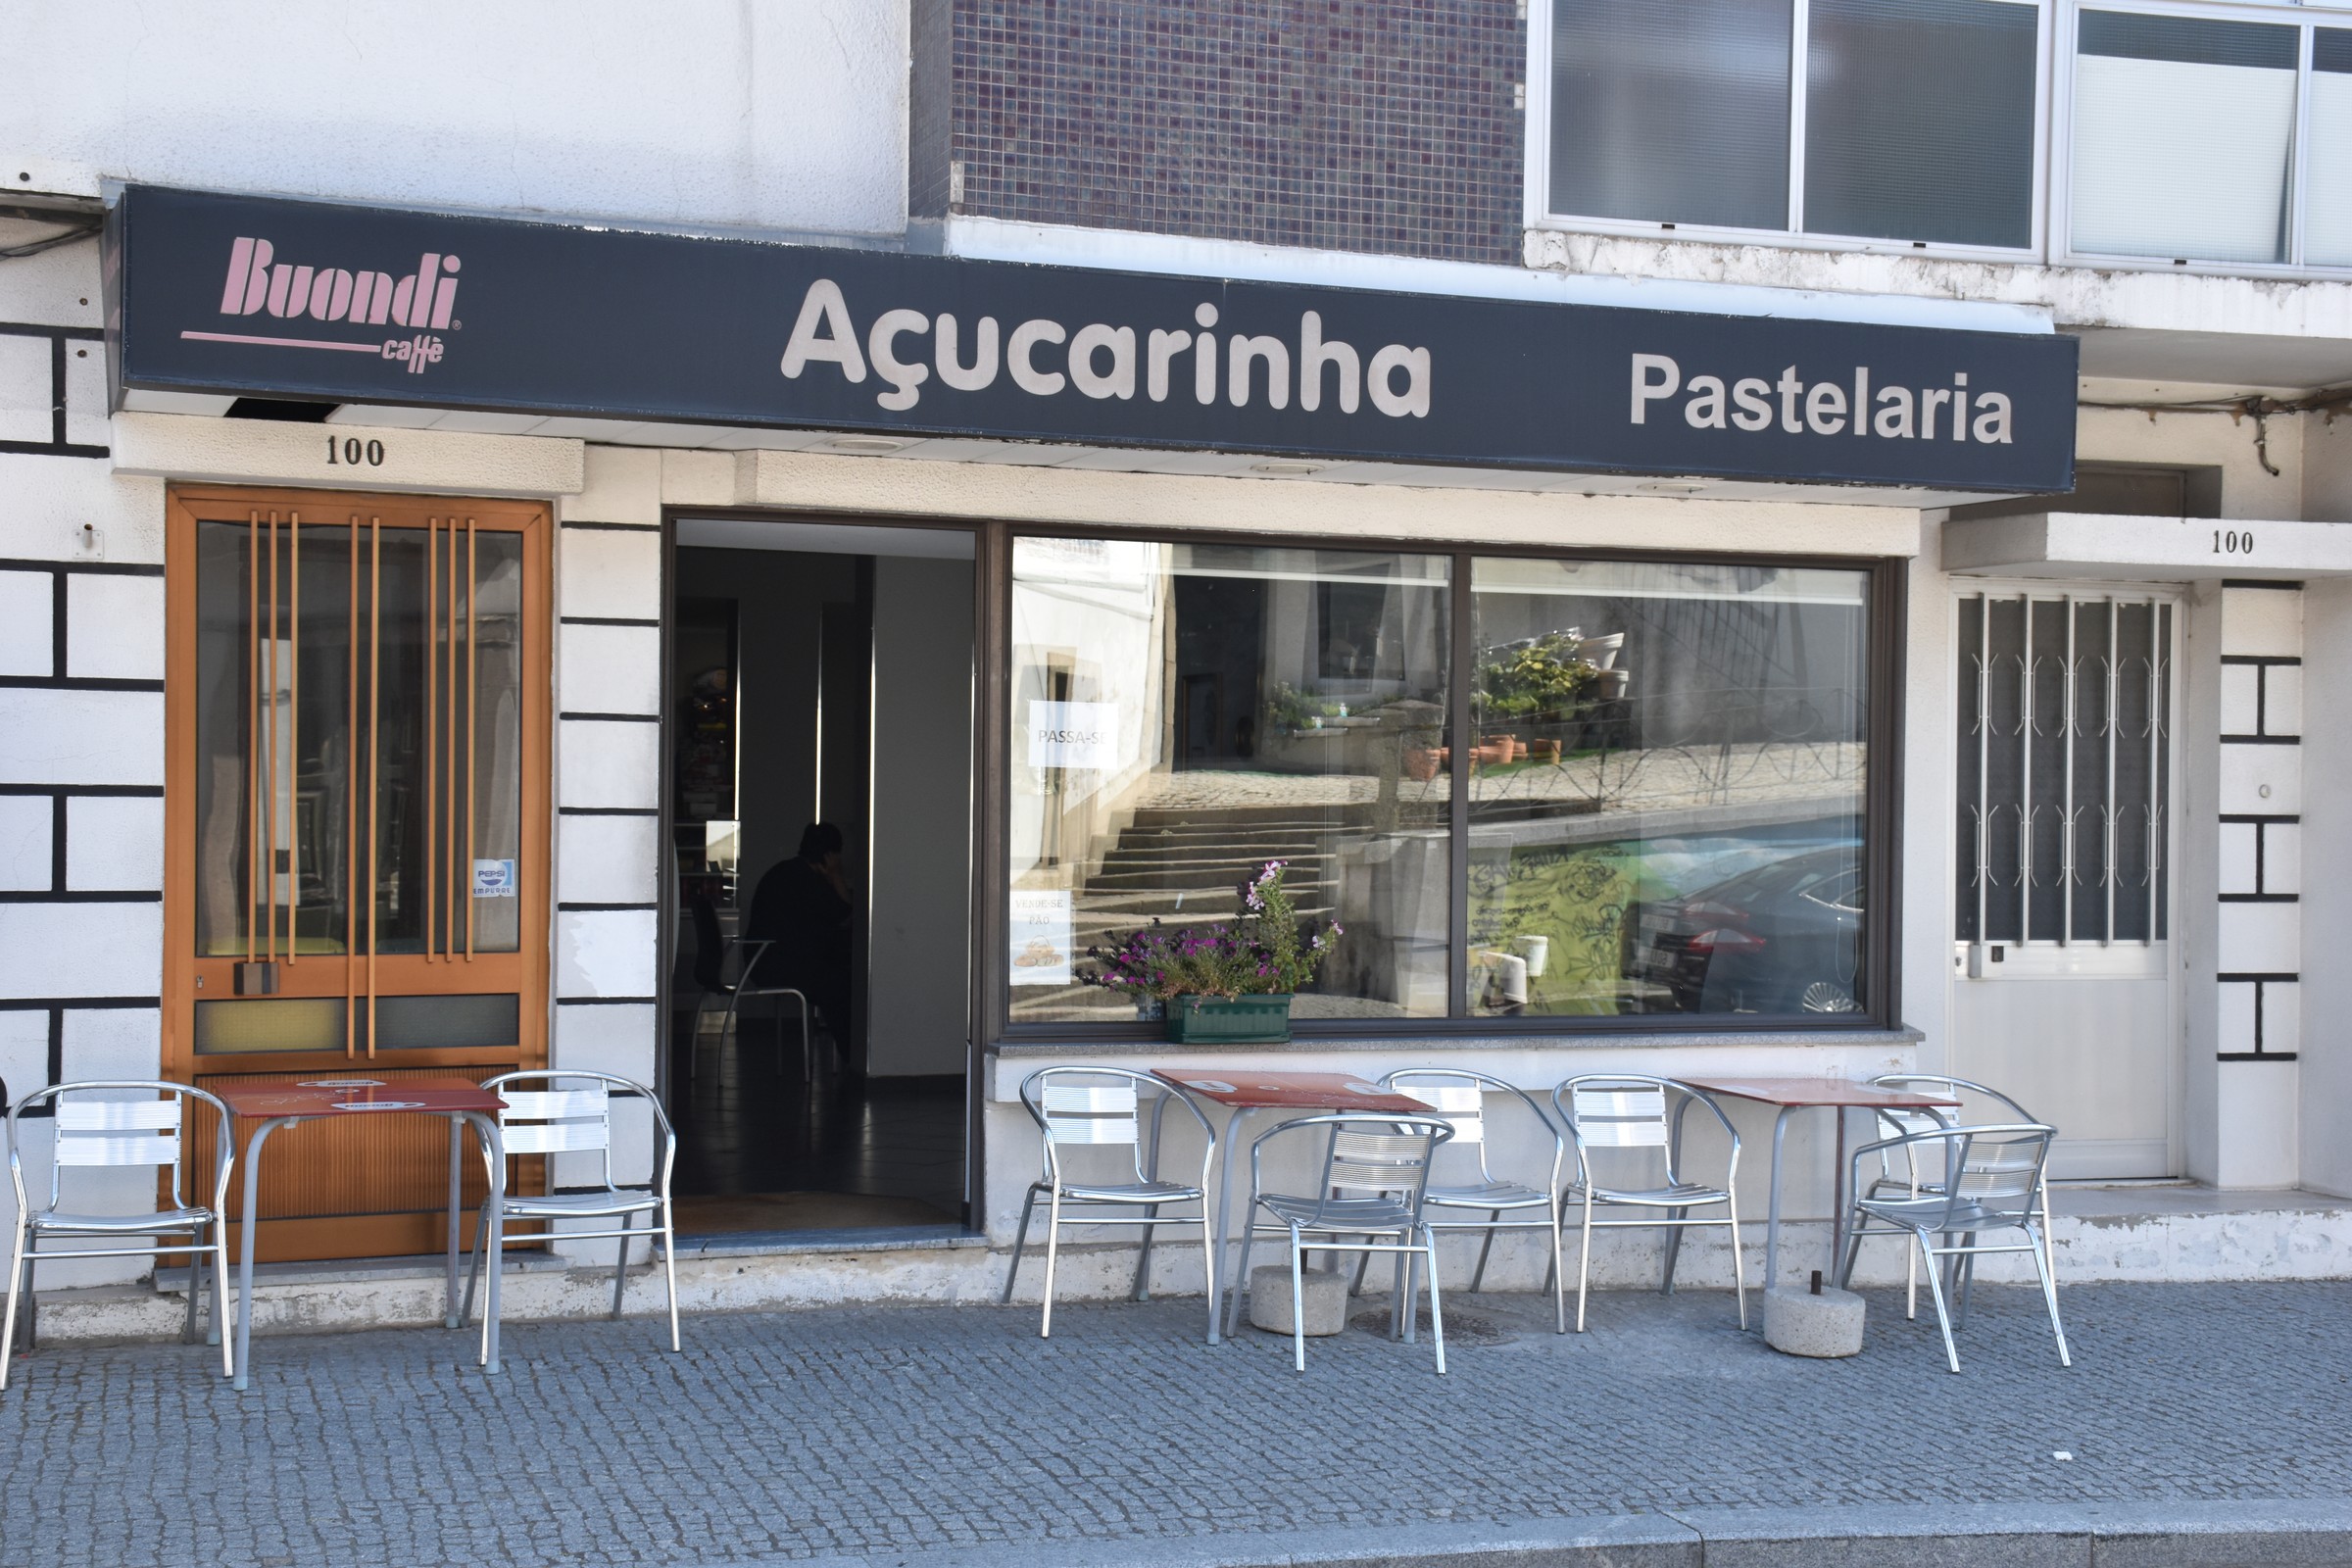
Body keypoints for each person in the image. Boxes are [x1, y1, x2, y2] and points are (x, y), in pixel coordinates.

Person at [743, 822, 855, 1059]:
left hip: (765, 961)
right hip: (780, 965)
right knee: (843, 983)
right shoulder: (808, 881)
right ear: (830, 856)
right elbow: (846, 911)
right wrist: (836, 875)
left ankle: (852, 1056)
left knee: (838, 976)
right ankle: (855, 1058)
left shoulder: (786, 872)